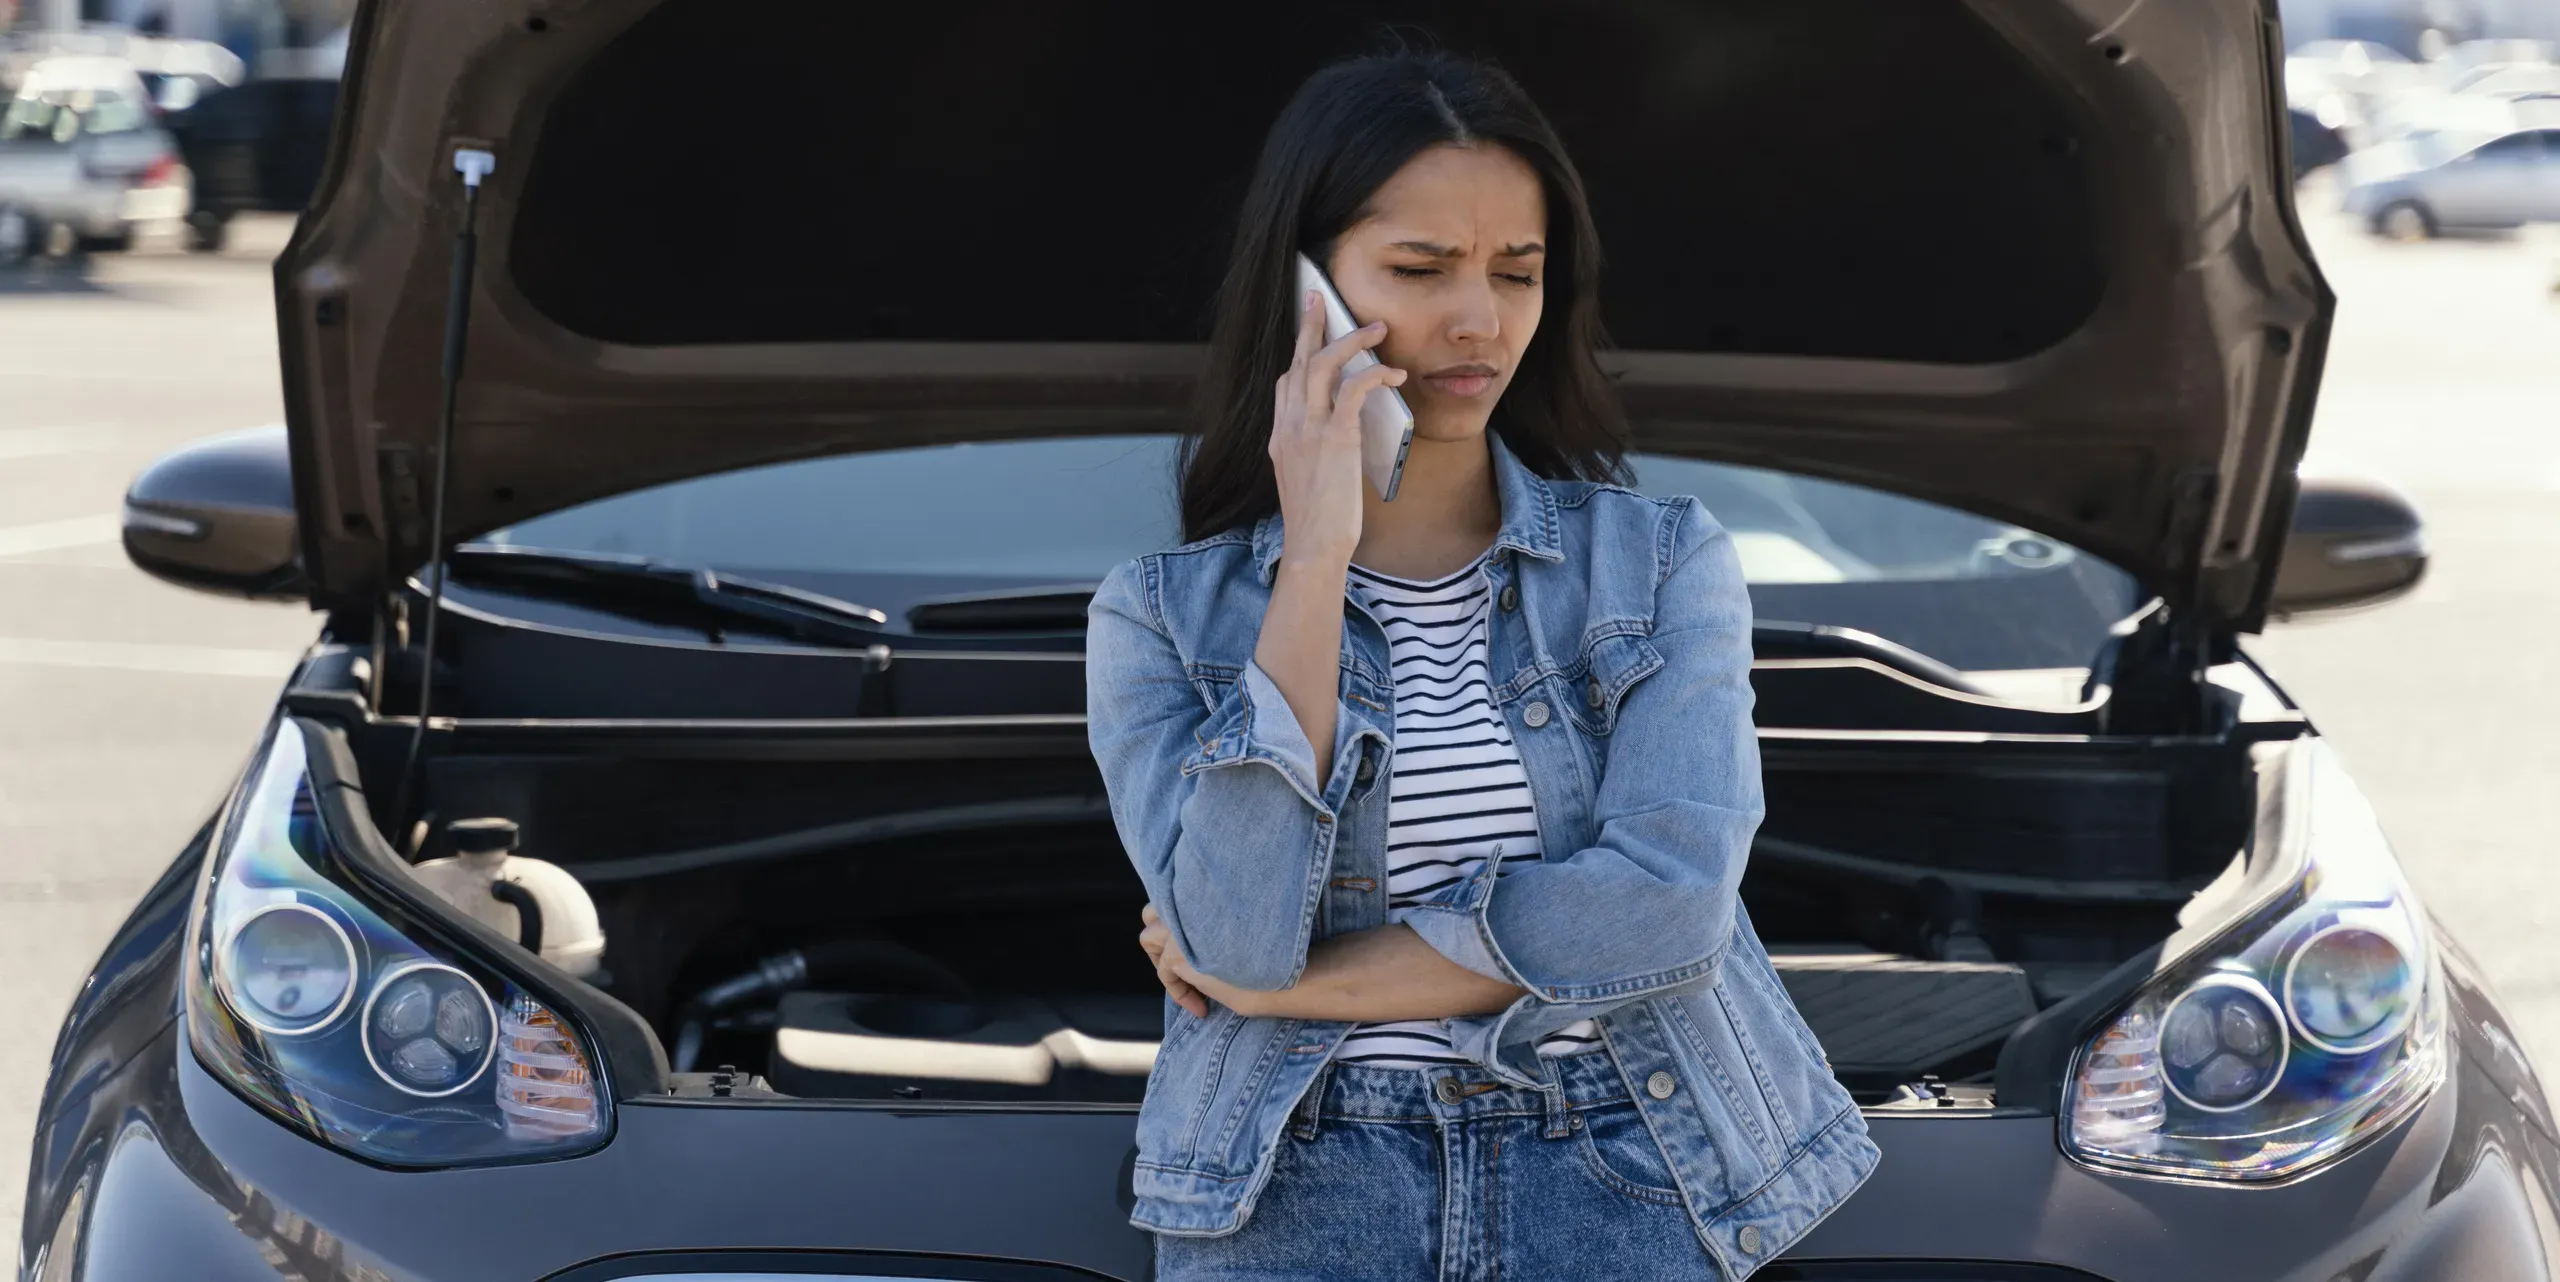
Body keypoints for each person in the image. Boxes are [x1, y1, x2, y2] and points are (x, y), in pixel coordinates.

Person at [1085, 48, 1878, 1281]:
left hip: (1625, 1162)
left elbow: (1667, 902)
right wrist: (1315, 558)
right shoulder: (1159, 617)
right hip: (1302, 1185)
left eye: (1518, 272)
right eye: (1419, 268)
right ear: (1303, 290)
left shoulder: (1658, 563)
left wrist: (1304, 992)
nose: (1479, 319)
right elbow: (1234, 940)